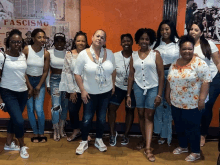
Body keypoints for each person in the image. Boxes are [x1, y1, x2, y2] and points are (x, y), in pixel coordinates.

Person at [165, 35, 211, 162]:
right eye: (184, 49)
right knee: (179, 126)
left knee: (193, 128)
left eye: (189, 49)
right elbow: (169, 80)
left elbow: (206, 81)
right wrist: (167, 94)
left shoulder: (199, 63)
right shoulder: (175, 63)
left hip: (193, 104)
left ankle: (196, 151)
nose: (187, 51)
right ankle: (183, 146)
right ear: (180, 50)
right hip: (176, 102)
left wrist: (202, 99)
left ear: (193, 49)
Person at [74, 29, 116, 154]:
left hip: (105, 93)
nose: (99, 39)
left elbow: (113, 70)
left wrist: (113, 85)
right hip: (89, 93)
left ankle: (99, 139)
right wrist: (82, 90)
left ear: (105, 41)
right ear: (92, 38)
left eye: (102, 37)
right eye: (97, 36)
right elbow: (77, 73)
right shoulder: (83, 54)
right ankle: (84, 141)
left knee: (102, 119)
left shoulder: (109, 53)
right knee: (87, 118)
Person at [126, 28, 164, 162]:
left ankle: (148, 148)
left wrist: (159, 95)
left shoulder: (155, 54)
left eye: (147, 39)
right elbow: (131, 75)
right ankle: (144, 138)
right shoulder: (134, 55)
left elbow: (161, 75)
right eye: (142, 38)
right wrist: (128, 94)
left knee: (149, 115)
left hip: (152, 88)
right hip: (138, 88)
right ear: (138, 40)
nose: (144, 41)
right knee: (140, 114)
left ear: (150, 40)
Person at [0, 29, 32, 158]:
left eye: (19, 42)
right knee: (19, 121)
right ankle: (22, 146)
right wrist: (0, 99)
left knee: (14, 119)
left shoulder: (22, 55)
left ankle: (8, 143)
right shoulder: (3, 56)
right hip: (8, 92)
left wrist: (29, 87)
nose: (16, 44)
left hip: (22, 92)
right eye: (13, 42)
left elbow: (23, 73)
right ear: (8, 42)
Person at [188, 22, 220, 147]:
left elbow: (218, 63)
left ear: (201, 32)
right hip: (195, 80)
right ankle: (193, 132)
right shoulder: (187, 45)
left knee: (206, 105)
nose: (193, 31)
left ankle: (203, 134)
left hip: (212, 78)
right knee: (195, 107)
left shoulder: (209, 44)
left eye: (196, 29)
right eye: (191, 29)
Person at [58, 31, 90, 142]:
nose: (80, 43)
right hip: (74, 89)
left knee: (87, 112)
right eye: (78, 40)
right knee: (72, 111)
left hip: (88, 88)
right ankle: (76, 130)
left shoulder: (90, 54)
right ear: (74, 42)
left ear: (86, 42)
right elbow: (67, 72)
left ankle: (86, 133)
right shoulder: (69, 54)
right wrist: (71, 90)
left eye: (83, 40)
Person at [153, 20, 179, 145]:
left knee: (168, 104)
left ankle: (166, 134)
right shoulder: (155, 43)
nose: (164, 32)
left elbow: (181, 60)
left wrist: (165, 66)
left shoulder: (178, 43)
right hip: (157, 77)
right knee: (158, 104)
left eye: (167, 29)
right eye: (162, 29)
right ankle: (158, 132)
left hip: (173, 77)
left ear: (172, 29)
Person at [108, 33, 136, 146]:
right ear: (120, 43)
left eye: (128, 41)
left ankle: (126, 135)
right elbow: (112, 72)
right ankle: (111, 134)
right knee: (111, 108)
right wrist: (112, 86)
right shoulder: (115, 56)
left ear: (132, 42)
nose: (126, 43)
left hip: (133, 88)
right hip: (118, 86)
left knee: (130, 110)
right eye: (124, 41)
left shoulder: (137, 56)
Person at [23, 28, 50, 143]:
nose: (42, 39)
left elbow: (45, 72)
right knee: (30, 109)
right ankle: (35, 133)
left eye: (44, 37)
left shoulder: (46, 53)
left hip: (40, 82)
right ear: (33, 38)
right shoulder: (26, 50)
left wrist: (38, 86)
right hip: (26, 81)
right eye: (39, 37)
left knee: (39, 109)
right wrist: (29, 86)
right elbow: (22, 69)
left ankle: (41, 133)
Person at [46, 33, 68, 141]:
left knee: (65, 106)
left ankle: (61, 128)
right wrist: (48, 84)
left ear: (65, 42)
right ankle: (55, 129)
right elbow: (46, 70)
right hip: (54, 80)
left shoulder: (68, 53)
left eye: (61, 41)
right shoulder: (49, 53)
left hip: (66, 81)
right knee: (56, 107)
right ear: (54, 42)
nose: (59, 43)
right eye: (57, 41)